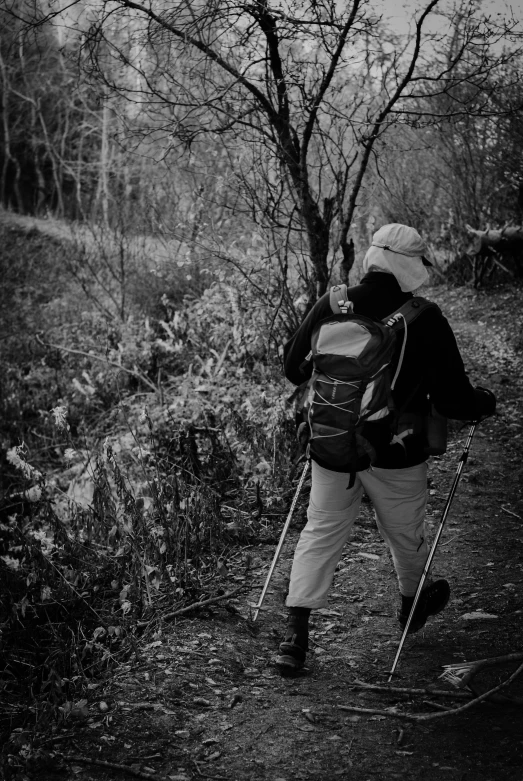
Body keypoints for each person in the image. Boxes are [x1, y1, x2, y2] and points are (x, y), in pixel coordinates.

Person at [277, 223, 496, 671]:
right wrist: (484, 403)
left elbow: (293, 369)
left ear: (374, 257)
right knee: (405, 531)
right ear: (411, 266)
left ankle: (295, 635)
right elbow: (455, 399)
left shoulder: (334, 302)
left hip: (333, 444)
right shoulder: (425, 316)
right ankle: (411, 603)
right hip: (398, 450)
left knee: (321, 529)